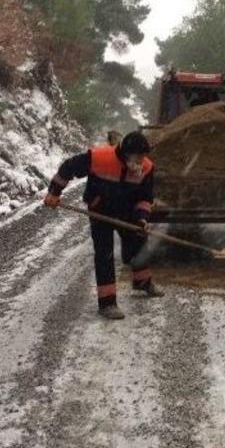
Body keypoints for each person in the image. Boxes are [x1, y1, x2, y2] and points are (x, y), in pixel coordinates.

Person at [43, 131, 164, 320]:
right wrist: (54, 192)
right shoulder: (99, 157)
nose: (142, 160)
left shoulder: (147, 168)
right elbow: (68, 167)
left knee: (139, 241)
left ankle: (143, 282)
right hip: (100, 210)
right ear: (126, 153)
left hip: (127, 212)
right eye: (138, 156)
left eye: (144, 156)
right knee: (104, 253)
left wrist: (141, 218)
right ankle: (107, 303)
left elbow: (145, 198)